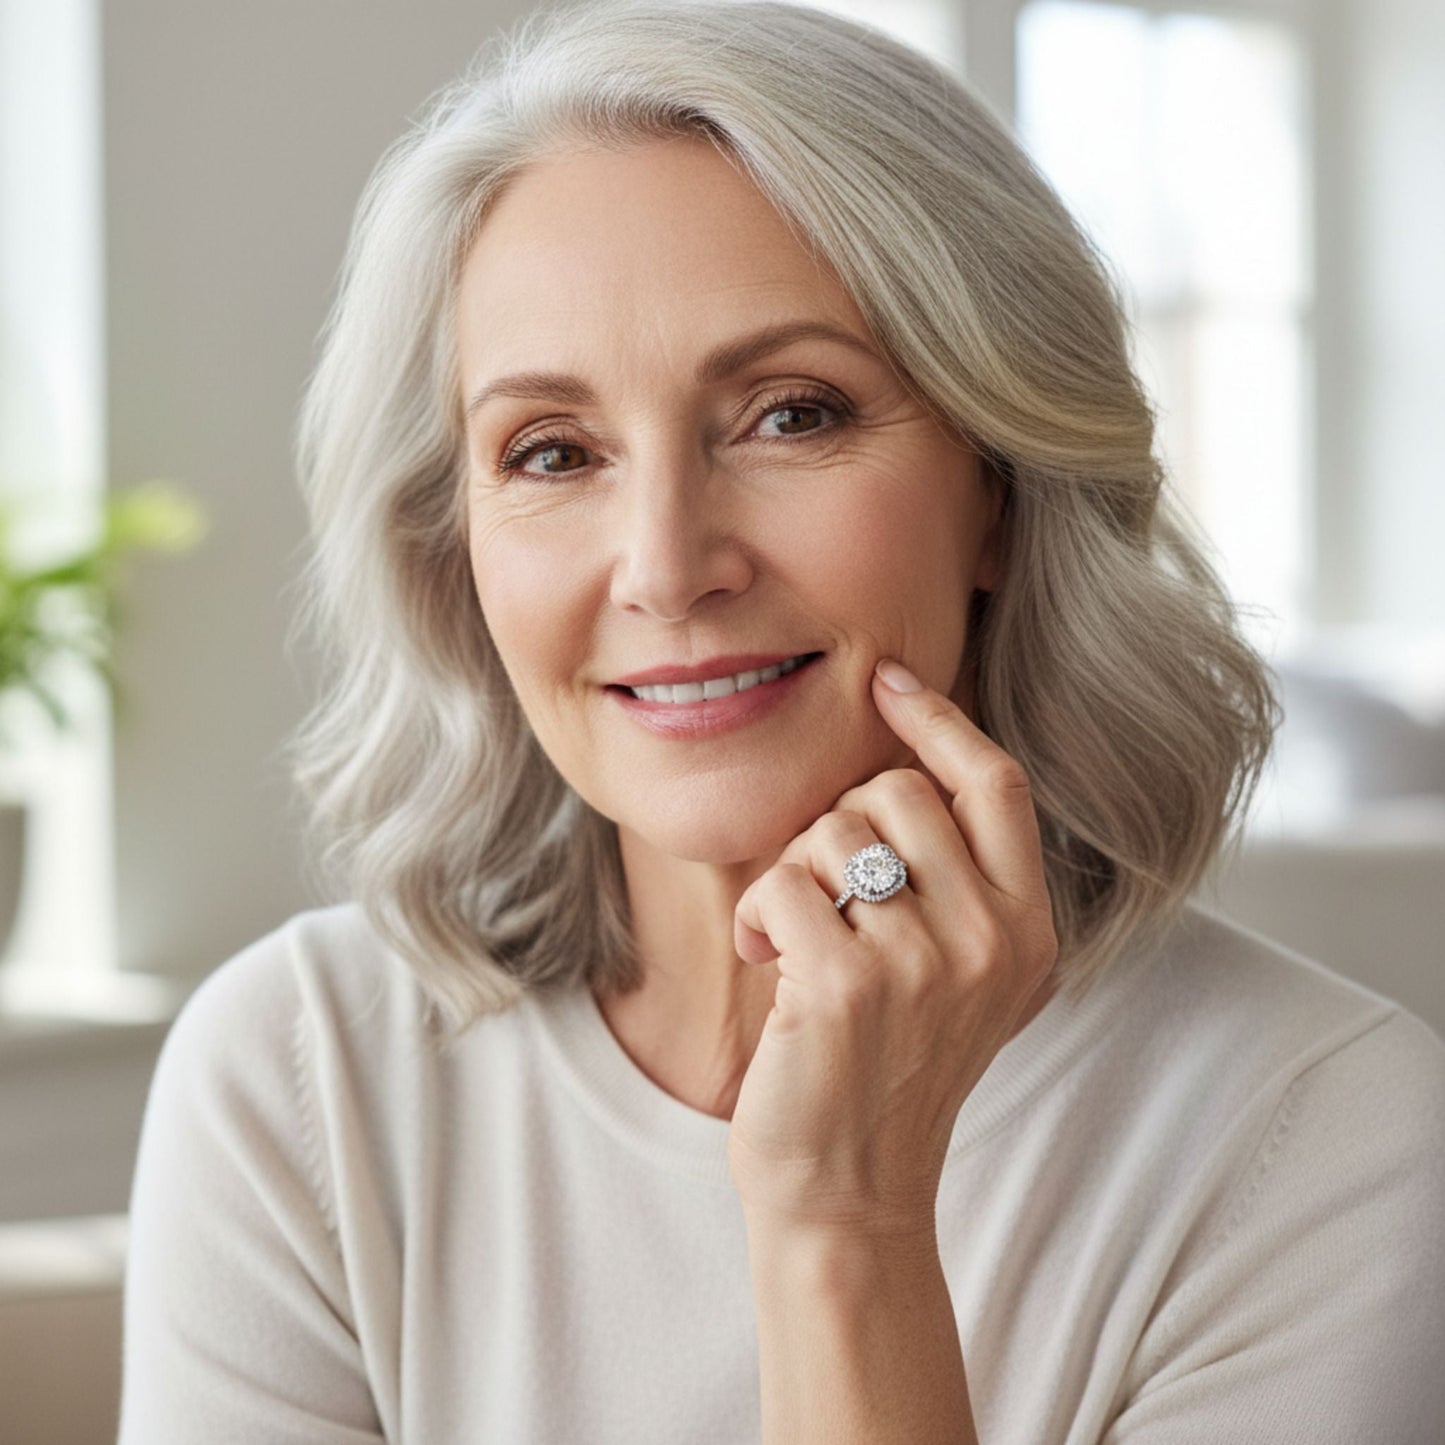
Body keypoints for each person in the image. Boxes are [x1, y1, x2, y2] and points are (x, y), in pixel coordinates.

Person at [117, 1, 1445, 1441]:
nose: (668, 564)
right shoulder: (301, 1074)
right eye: (551, 450)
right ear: (457, 550)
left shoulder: (1322, 1135)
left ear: (997, 486)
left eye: (790, 413)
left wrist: (845, 1222)